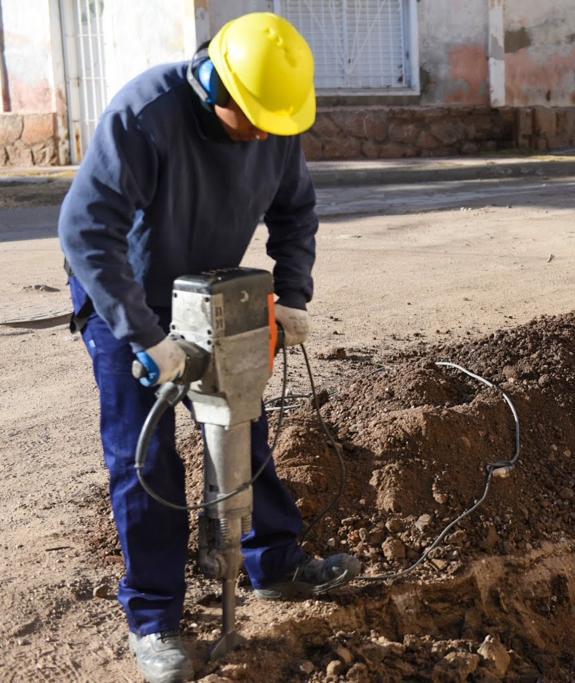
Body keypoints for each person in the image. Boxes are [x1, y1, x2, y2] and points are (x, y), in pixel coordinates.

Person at [58, 13, 359, 683]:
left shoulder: (273, 123)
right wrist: (147, 336)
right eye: (253, 120)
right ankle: (156, 618)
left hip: (209, 291)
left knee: (240, 425)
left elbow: (294, 209)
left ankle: (274, 564)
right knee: (146, 459)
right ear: (215, 84)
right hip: (125, 297)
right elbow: (84, 231)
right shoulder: (145, 117)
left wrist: (295, 294)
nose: (264, 136)